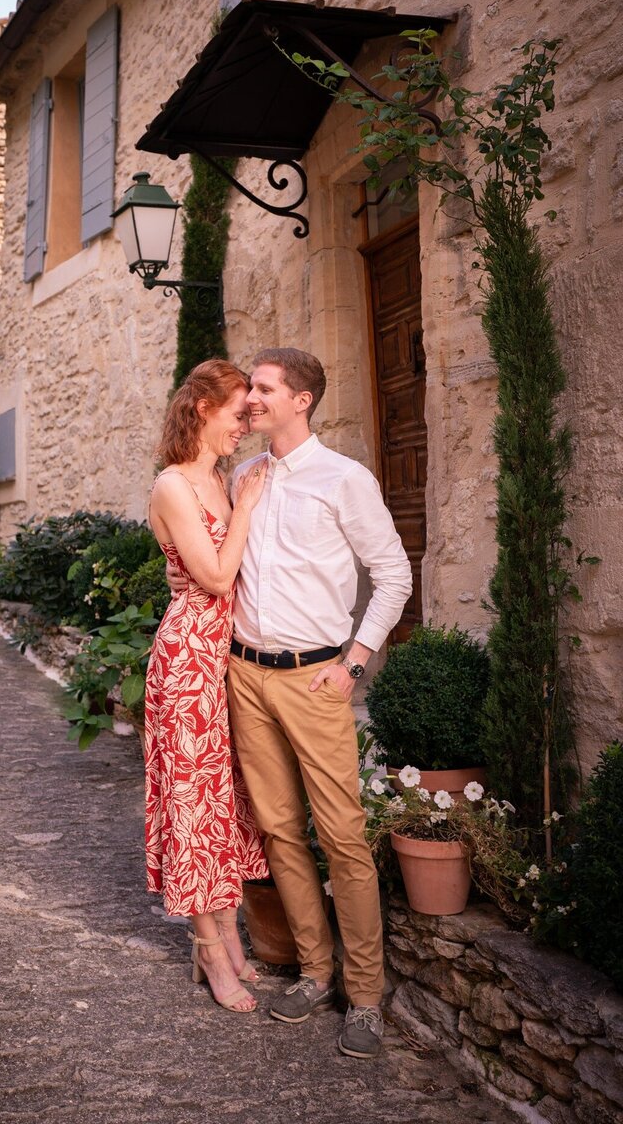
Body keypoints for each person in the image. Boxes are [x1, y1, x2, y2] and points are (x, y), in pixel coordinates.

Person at [168, 348, 412, 1057]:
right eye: (250, 391)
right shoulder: (243, 475)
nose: (252, 401)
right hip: (245, 674)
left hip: (314, 680)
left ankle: (365, 995)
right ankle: (314, 970)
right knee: (277, 832)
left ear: (301, 400)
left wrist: (355, 663)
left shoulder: (345, 479)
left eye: (265, 390)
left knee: (340, 835)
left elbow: (393, 573)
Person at [145, 358, 270, 1015]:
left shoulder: (220, 477)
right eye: (237, 414)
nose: (244, 427)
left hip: (227, 660)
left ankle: (225, 932)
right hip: (189, 661)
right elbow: (217, 578)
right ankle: (211, 950)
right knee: (195, 806)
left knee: (224, 804)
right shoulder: (174, 486)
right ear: (202, 409)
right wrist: (246, 507)